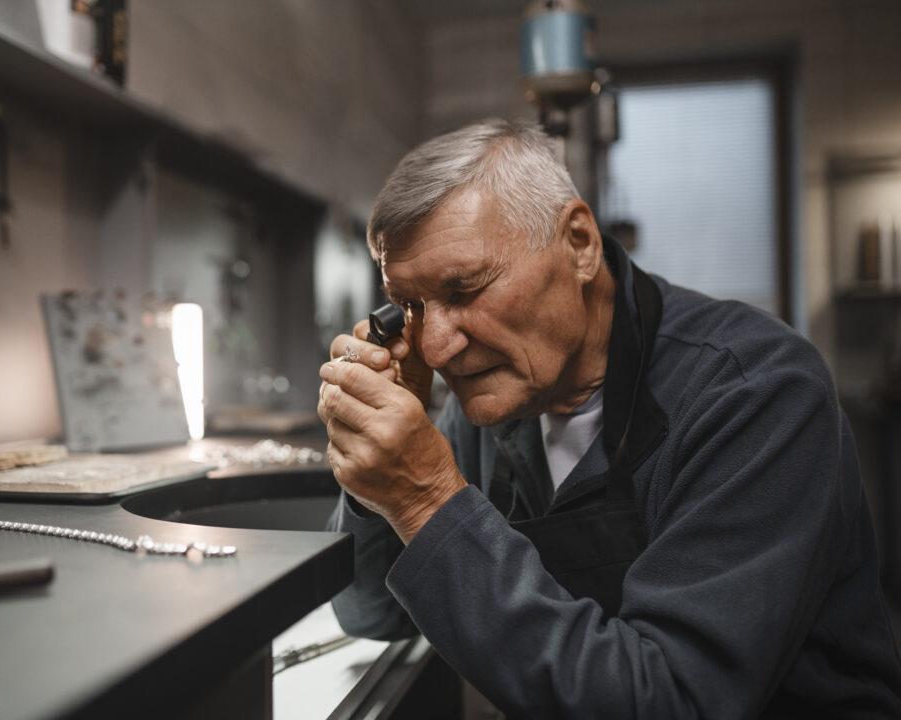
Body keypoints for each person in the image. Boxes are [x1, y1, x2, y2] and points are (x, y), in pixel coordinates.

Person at [317, 118, 901, 718]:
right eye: (412, 305)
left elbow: (672, 701)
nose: (437, 349)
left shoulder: (756, 395)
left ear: (579, 244)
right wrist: (377, 488)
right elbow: (373, 615)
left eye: (464, 291)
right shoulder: (499, 401)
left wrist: (427, 502)